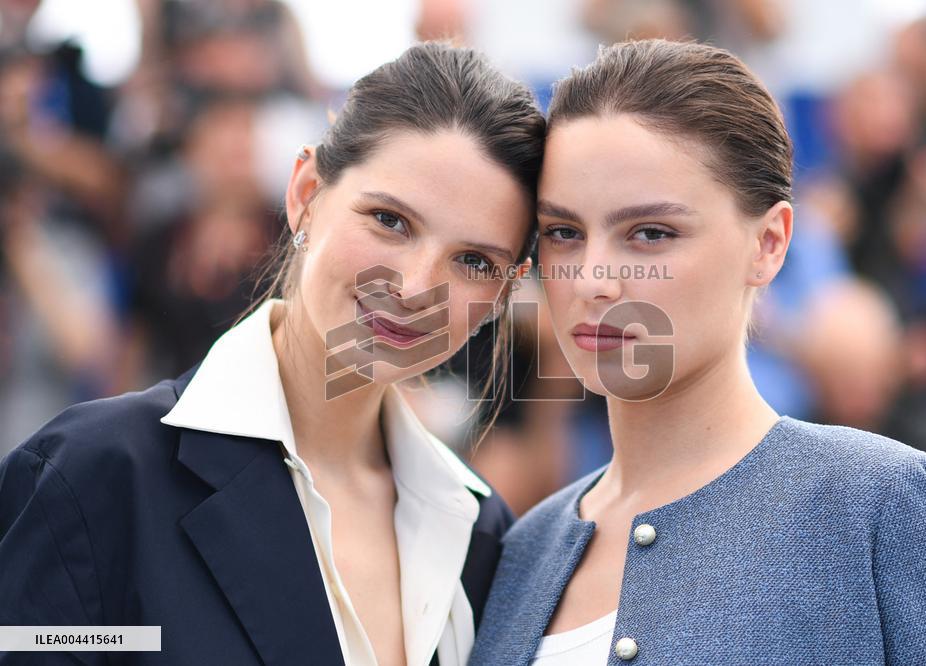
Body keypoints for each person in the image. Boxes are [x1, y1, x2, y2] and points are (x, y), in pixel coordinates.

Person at [0, 42, 542, 666]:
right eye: (391, 221)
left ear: (505, 289)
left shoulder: (480, 533)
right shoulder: (94, 475)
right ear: (306, 192)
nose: (418, 286)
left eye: (474, 261)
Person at [469, 39, 926, 665]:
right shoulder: (523, 550)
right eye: (564, 233)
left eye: (650, 234)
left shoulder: (876, 504)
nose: (593, 279)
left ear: (768, 243)